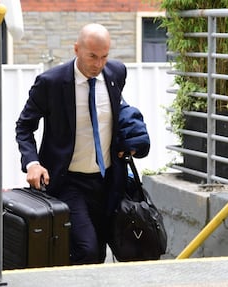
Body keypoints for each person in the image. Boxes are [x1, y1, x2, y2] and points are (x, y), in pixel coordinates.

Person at [15, 23, 150, 265]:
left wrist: (128, 143)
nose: (98, 65)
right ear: (76, 49)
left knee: (100, 251)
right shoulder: (51, 82)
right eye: (92, 57)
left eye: (104, 57)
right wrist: (32, 163)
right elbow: (24, 127)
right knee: (86, 248)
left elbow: (117, 112)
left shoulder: (116, 73)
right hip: (68, 181)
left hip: (108, 180)